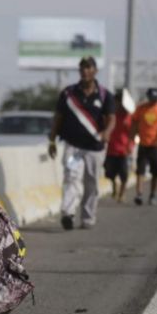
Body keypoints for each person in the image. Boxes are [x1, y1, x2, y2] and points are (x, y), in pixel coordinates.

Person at [48, 56, 115, 230]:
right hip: (73, 147)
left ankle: (88, 217)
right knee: (71, 177)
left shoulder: (104, 95)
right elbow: (58, 117)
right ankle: (68, 213)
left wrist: (107, 132)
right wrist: (52, 140)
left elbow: (111, 118)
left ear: (95, 71)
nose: (85, 71)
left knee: (91, 183)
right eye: (82, 68)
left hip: (95, 148)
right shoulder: (68, 93)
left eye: (88, 67)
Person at [130, 88, 157, 205]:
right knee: (140, 171)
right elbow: (134, 122)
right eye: (151, 99)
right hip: (143, 144)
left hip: (155, 146)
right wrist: (133, 136)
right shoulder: (141, 108)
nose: (153, 101)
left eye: (155, 99)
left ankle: (153, 194)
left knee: (156, 172)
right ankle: (139, 194)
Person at [104, 89, 134, 202]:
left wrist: (130, 146)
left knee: (124, 174)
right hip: (111, 150)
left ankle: (121, 194)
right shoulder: (110, 116)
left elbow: (132, 133)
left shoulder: (129, 117)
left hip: (124, 151)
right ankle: (114, 186)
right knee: (109, 173)